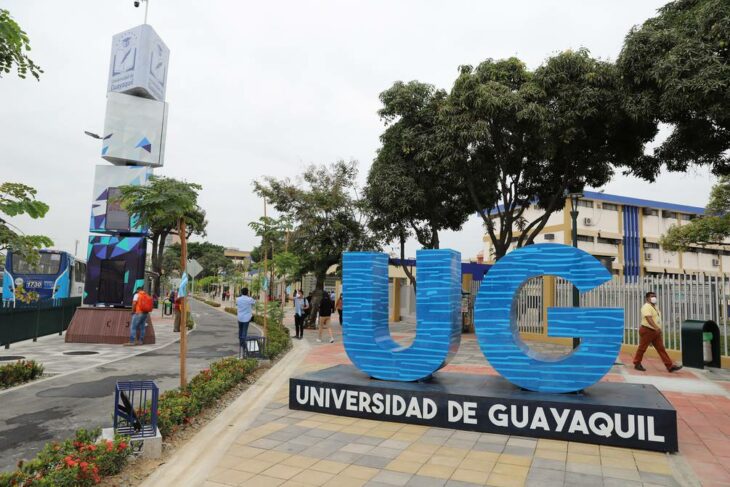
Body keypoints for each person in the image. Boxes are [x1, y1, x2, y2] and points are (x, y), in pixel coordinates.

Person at [633, 291, 683, 372]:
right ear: (647, 298)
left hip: (655, 331)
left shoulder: (655, 306)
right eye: (652, 296)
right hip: (647, 330)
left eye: (655, 296)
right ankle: (637, 363)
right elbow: (649, 318)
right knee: (642, 348)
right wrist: (656, 327)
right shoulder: (646, 307)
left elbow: (656, 319)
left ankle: (669, 366)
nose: (654, 298)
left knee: (661, 349)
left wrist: (657, 329)